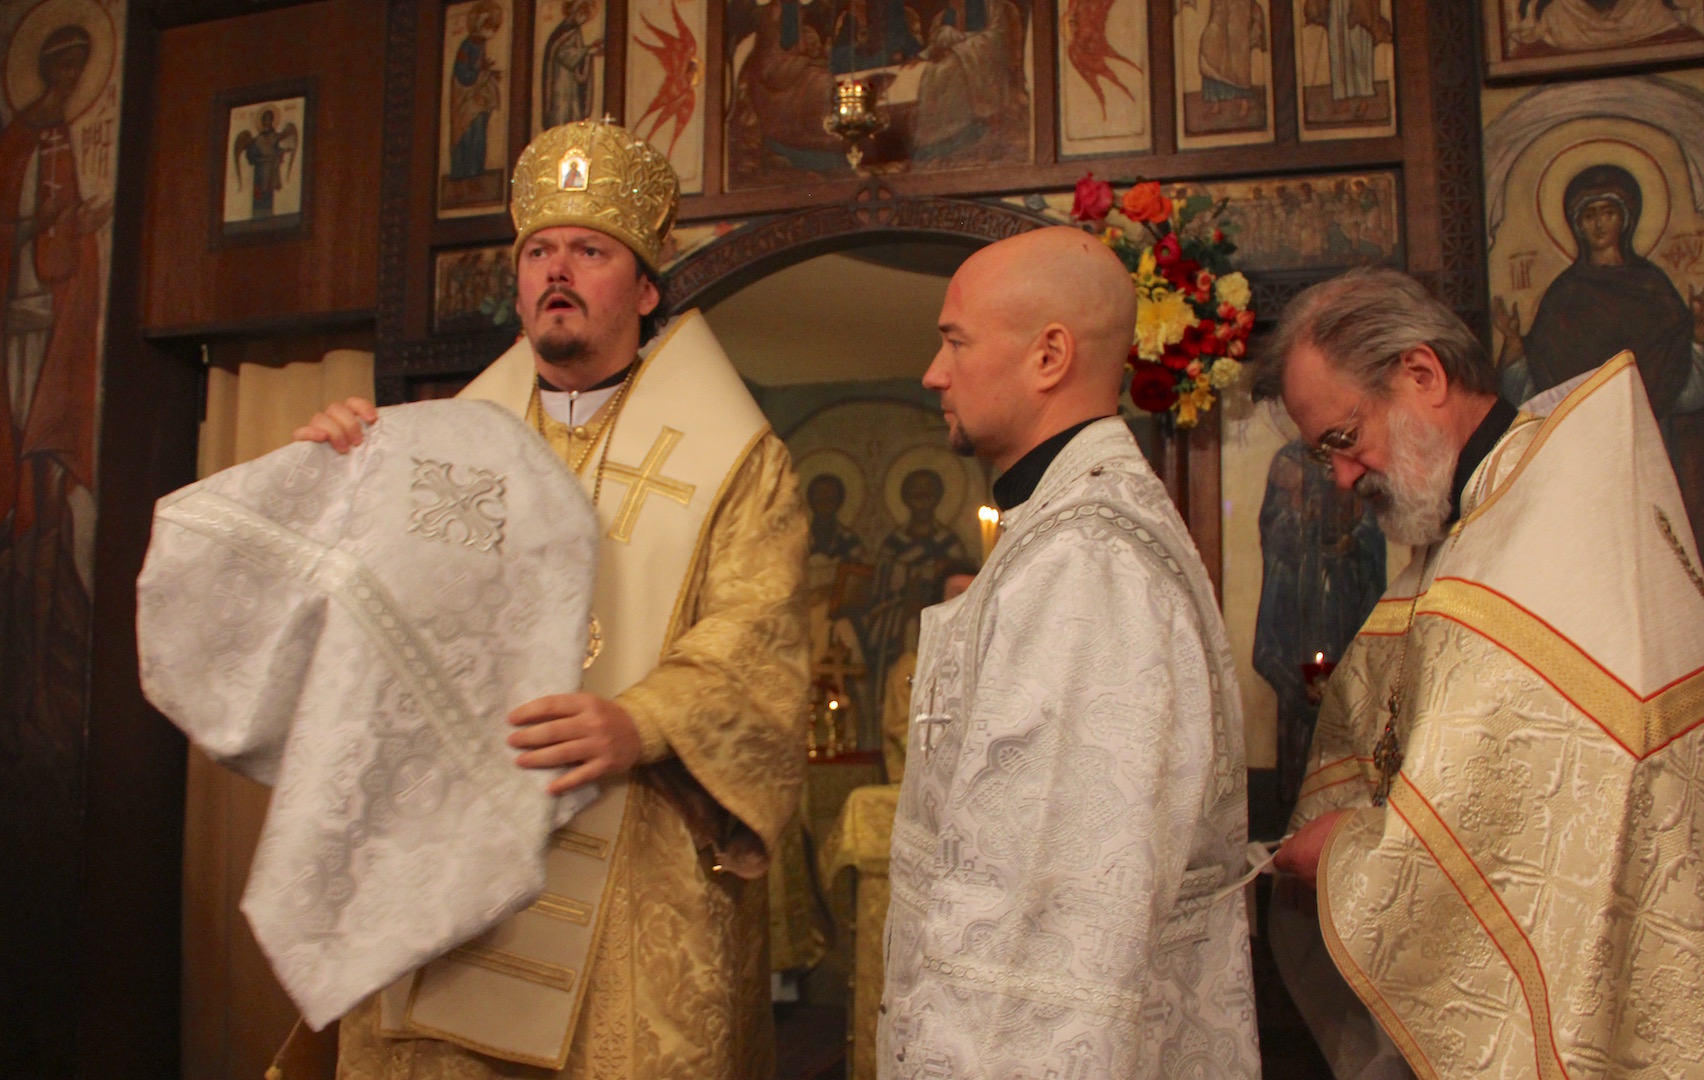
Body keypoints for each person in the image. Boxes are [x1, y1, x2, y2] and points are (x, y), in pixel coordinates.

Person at [295, 118, 809, 1079]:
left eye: (589, 249)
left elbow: (762, 635)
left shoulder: (740, 461)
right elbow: (354, 632)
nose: (557, 269)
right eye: (538, 250)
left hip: (636, 866)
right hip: (455, 865)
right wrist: (326, 492)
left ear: (646, 288)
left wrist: (644, 720)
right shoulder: (433, 446)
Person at [1261, 267, 1704, 1077]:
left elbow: (1558, 807)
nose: (1344, 478)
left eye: (1342, 439)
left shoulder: (1561, 512)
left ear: (1422, 374)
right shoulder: (1476, 521)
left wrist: (1353, 854)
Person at [877, 226, 1260, 1078]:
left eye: (955, 341)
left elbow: (1041, 945)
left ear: (1049, 356)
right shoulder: (1060, 534)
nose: (935, 373)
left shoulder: (1086, 563)